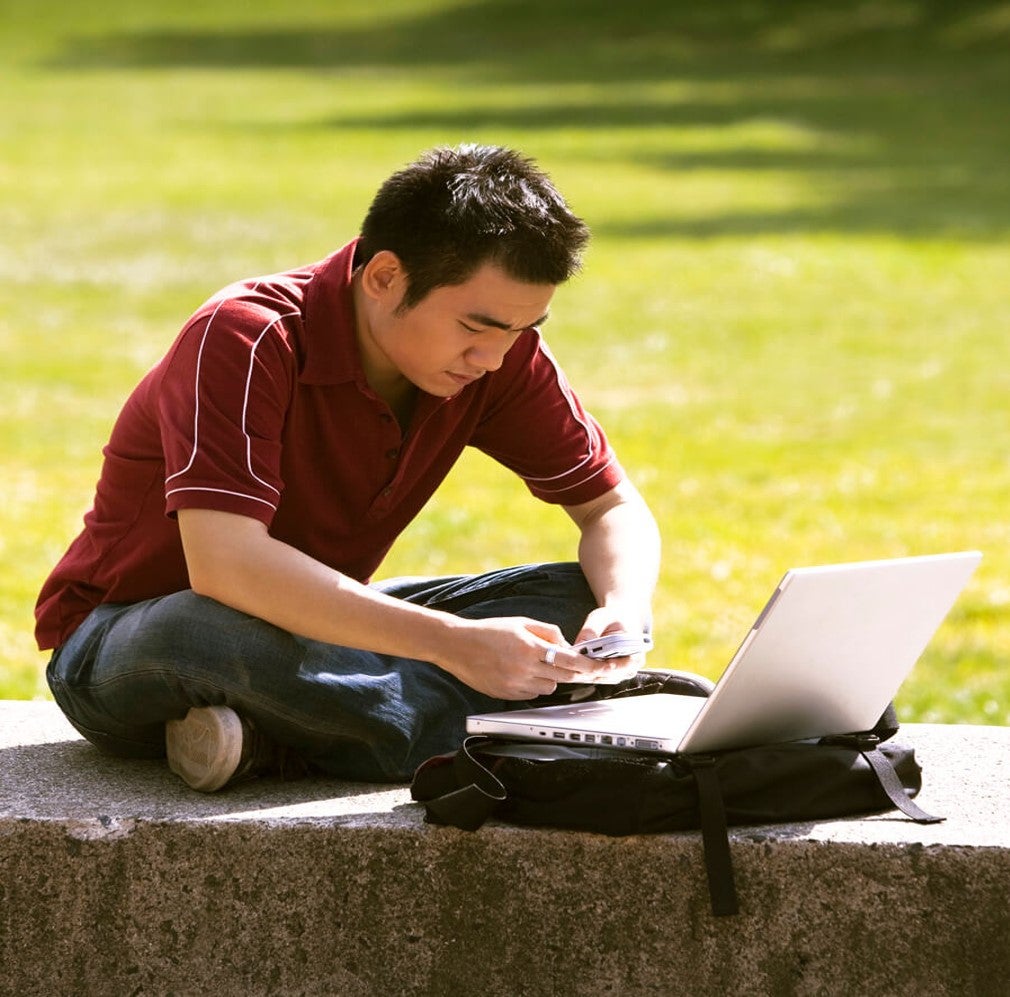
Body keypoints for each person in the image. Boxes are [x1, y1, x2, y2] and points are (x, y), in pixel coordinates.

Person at [35, 144, 661, 791]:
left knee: (573, 599)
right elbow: (224, 564)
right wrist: (454, 644)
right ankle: (530, 730)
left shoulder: (500, 356)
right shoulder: (248, 335)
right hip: (129, 643)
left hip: (319, 644)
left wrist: (622, 609)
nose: (496, 357)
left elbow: (611, 508)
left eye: (521, 329)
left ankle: (274, 740)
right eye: (478, 326)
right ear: (385, 277)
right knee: (202, 630)